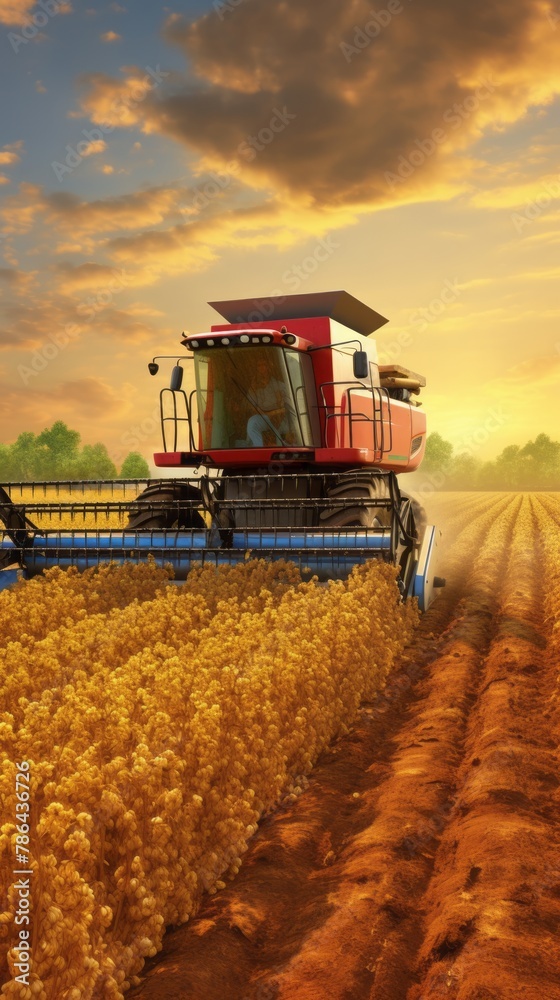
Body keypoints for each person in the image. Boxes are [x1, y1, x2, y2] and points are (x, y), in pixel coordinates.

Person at [245, 355, 291, 446]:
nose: (262, 368)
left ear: (269, 367)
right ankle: (258, 449)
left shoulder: (280, 385)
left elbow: (287, 408)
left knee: (289, 431)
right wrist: (253, 388)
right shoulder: (253, 388)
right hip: (263, 418)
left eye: (264, 365)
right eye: (259, 365)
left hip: (279, 418)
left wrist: (276, 413)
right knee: (252, 423)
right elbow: (252, 407)